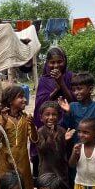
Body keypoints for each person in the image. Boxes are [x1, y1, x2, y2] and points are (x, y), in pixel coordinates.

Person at [31, 47, 75, 176]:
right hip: (47, 126)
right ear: (47, 63)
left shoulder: (71, 77)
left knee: (64, 161)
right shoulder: (44, 80)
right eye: (52, 62)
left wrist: (61, 82)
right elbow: (40, 105)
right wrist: (56, 89)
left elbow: (73, 102)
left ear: (65, 61)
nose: (56, 66)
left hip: (65, 126)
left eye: (59, 61)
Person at [0, 85, 38, 189]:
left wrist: (32, 125)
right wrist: (3, 121)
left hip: (22, 159)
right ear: (10, 101)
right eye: (20, 97)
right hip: (5, 159)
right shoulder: (1, 118)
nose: (25, 100)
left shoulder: (26, 118)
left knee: (25, 187)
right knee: (7, 186)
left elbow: (34, 140)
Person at [58, 72, 95, 145]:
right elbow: (69, 125)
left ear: (90, 89)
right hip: (77, 146)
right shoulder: (72, 106)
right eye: (74, 90)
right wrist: (67, 112)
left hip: (94, 147)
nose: (76, 92)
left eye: (79, 89)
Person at [35, 101, 73, 189]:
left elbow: (63, 152)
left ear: (59, 117)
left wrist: (64, 140)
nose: (51, 117)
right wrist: (50, 138)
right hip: (46, 173)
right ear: (41, 117)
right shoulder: (40, 132)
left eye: (54, 114)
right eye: (47, 114)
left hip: (61, 174)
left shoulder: (62, 131)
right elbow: (42, 149)